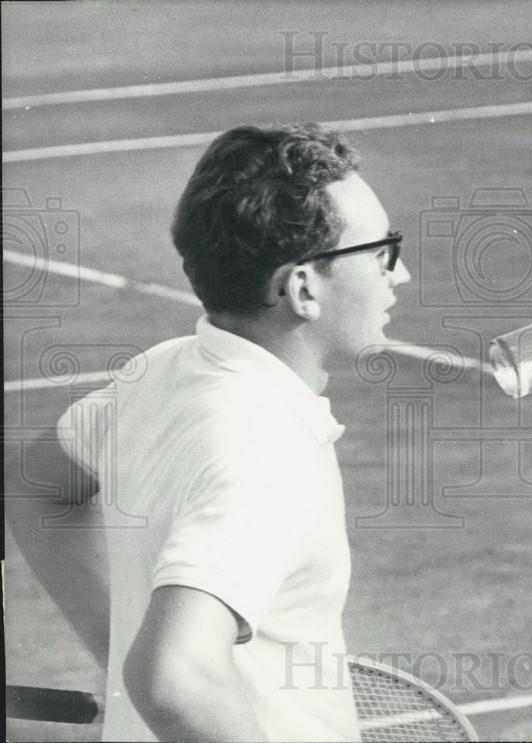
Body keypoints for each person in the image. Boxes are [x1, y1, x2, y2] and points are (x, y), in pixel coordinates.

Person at [7, 123, 410, 741]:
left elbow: (32, 482)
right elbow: (173, 679)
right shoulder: (267, 450)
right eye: (382, 253)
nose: (398, 276)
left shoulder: (159, 372)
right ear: (301, 287)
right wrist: (136, 667)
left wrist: (120, 649)